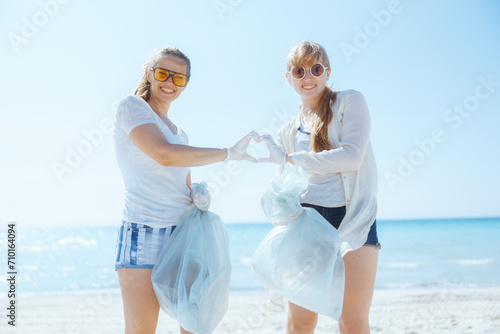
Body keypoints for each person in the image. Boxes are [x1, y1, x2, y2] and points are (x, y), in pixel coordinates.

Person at [113, 46, 257, 334]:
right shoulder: (133, 107)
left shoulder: (180, 133)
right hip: (144, 232)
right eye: (163, 73)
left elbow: (184, 184)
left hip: (183, 235)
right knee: (141, 330)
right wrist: (228, 153)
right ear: (149, 74)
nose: (169, 83)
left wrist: (198, 197)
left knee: (195, 325)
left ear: (185, 85)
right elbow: (164, 154)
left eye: (178, 78)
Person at [259, 41, 380, 334]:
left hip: (354, 220)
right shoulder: (286, 131)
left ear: (327, 72)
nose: (307, 77)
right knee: (300, 322)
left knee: (351, 320)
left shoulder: (350, 101)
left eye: (315, 68)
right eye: (299, 71)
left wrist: (290, 158)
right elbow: (284, 188)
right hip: (305, 226)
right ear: (289, 78)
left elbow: (352, 157)